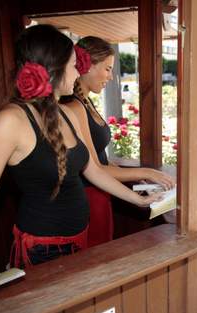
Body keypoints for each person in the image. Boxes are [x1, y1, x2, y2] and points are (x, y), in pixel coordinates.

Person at [0, 25, 161, 287]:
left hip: (80, 236)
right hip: (41, 249)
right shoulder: (10, 121)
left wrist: (139, 200)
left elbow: (95, 171)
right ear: (53, 69)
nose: (79, 72)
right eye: (73, 65)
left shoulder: (67, 113)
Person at [62, 36, 174, 247]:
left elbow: (103, 160)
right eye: (107, 69)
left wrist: (132, 178)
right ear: (87, 66)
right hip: (88, 196)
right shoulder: (74, 107)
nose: (111, 77)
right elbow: (95, 168)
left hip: (101, 192)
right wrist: (147, 172)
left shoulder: (85, 102)